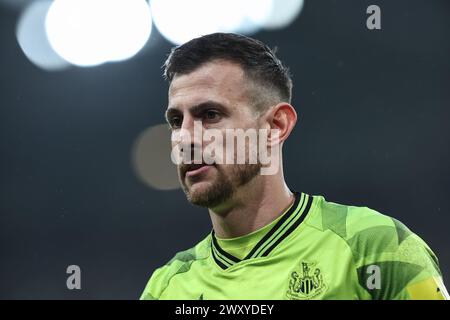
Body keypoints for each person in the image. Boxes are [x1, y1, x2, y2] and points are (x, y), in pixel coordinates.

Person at [140, 33, 447, 300]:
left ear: (276, 126)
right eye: (176, 121)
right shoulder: (166, 287)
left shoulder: (375, 246)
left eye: (210, 114)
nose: (186, 139)